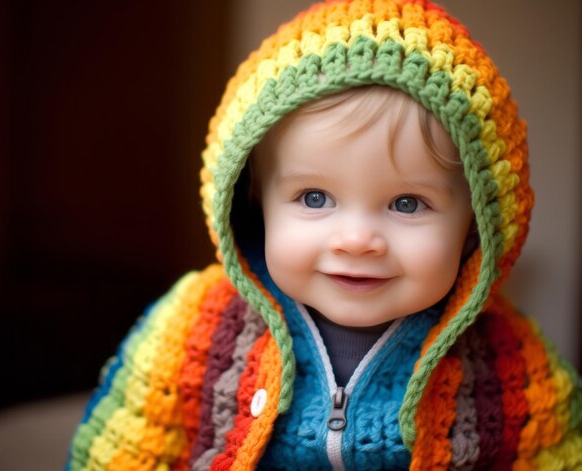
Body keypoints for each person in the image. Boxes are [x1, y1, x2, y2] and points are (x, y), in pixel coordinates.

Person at [66, 0, 582, 469]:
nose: (356, 239)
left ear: (477, 225)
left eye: (407, 203)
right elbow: (121, 452)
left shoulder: (509, 363)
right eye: (315, 198)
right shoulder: (193, 329)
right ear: (254, 203)